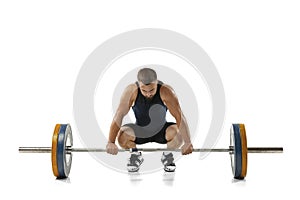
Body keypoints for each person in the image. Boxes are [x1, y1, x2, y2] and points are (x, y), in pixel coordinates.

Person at [106, 68, 193, 172]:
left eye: (152, 90)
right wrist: (111, 142)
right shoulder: (131, 91)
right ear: (139, 84)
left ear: (156, 82)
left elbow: (179, 116)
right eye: (144, 90)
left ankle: (167, 155)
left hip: (162, 131)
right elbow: (119, 115)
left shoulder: (166, 91)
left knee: (178, 134)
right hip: (140, 130)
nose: (148, 94)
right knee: (122, 136)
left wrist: (187, 142)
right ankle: (135, 155)